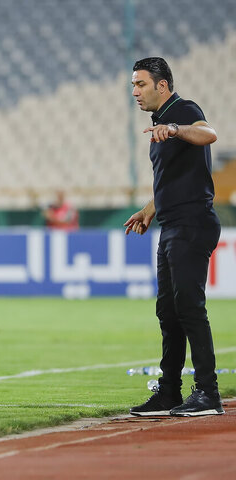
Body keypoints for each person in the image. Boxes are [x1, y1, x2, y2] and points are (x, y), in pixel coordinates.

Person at [125, 57, 222, 417]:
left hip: (193, 223)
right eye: (133, 85)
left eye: (141, 84)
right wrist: (149, 209)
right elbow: (173, 177)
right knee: (168, 311)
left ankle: (208, 393)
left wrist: (178, 129)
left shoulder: (183, 110)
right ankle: (168, 393)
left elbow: (208, 133)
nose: (135, 92)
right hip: (172, 225)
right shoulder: (159, 124)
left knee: (189, 308)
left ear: (161, 85)